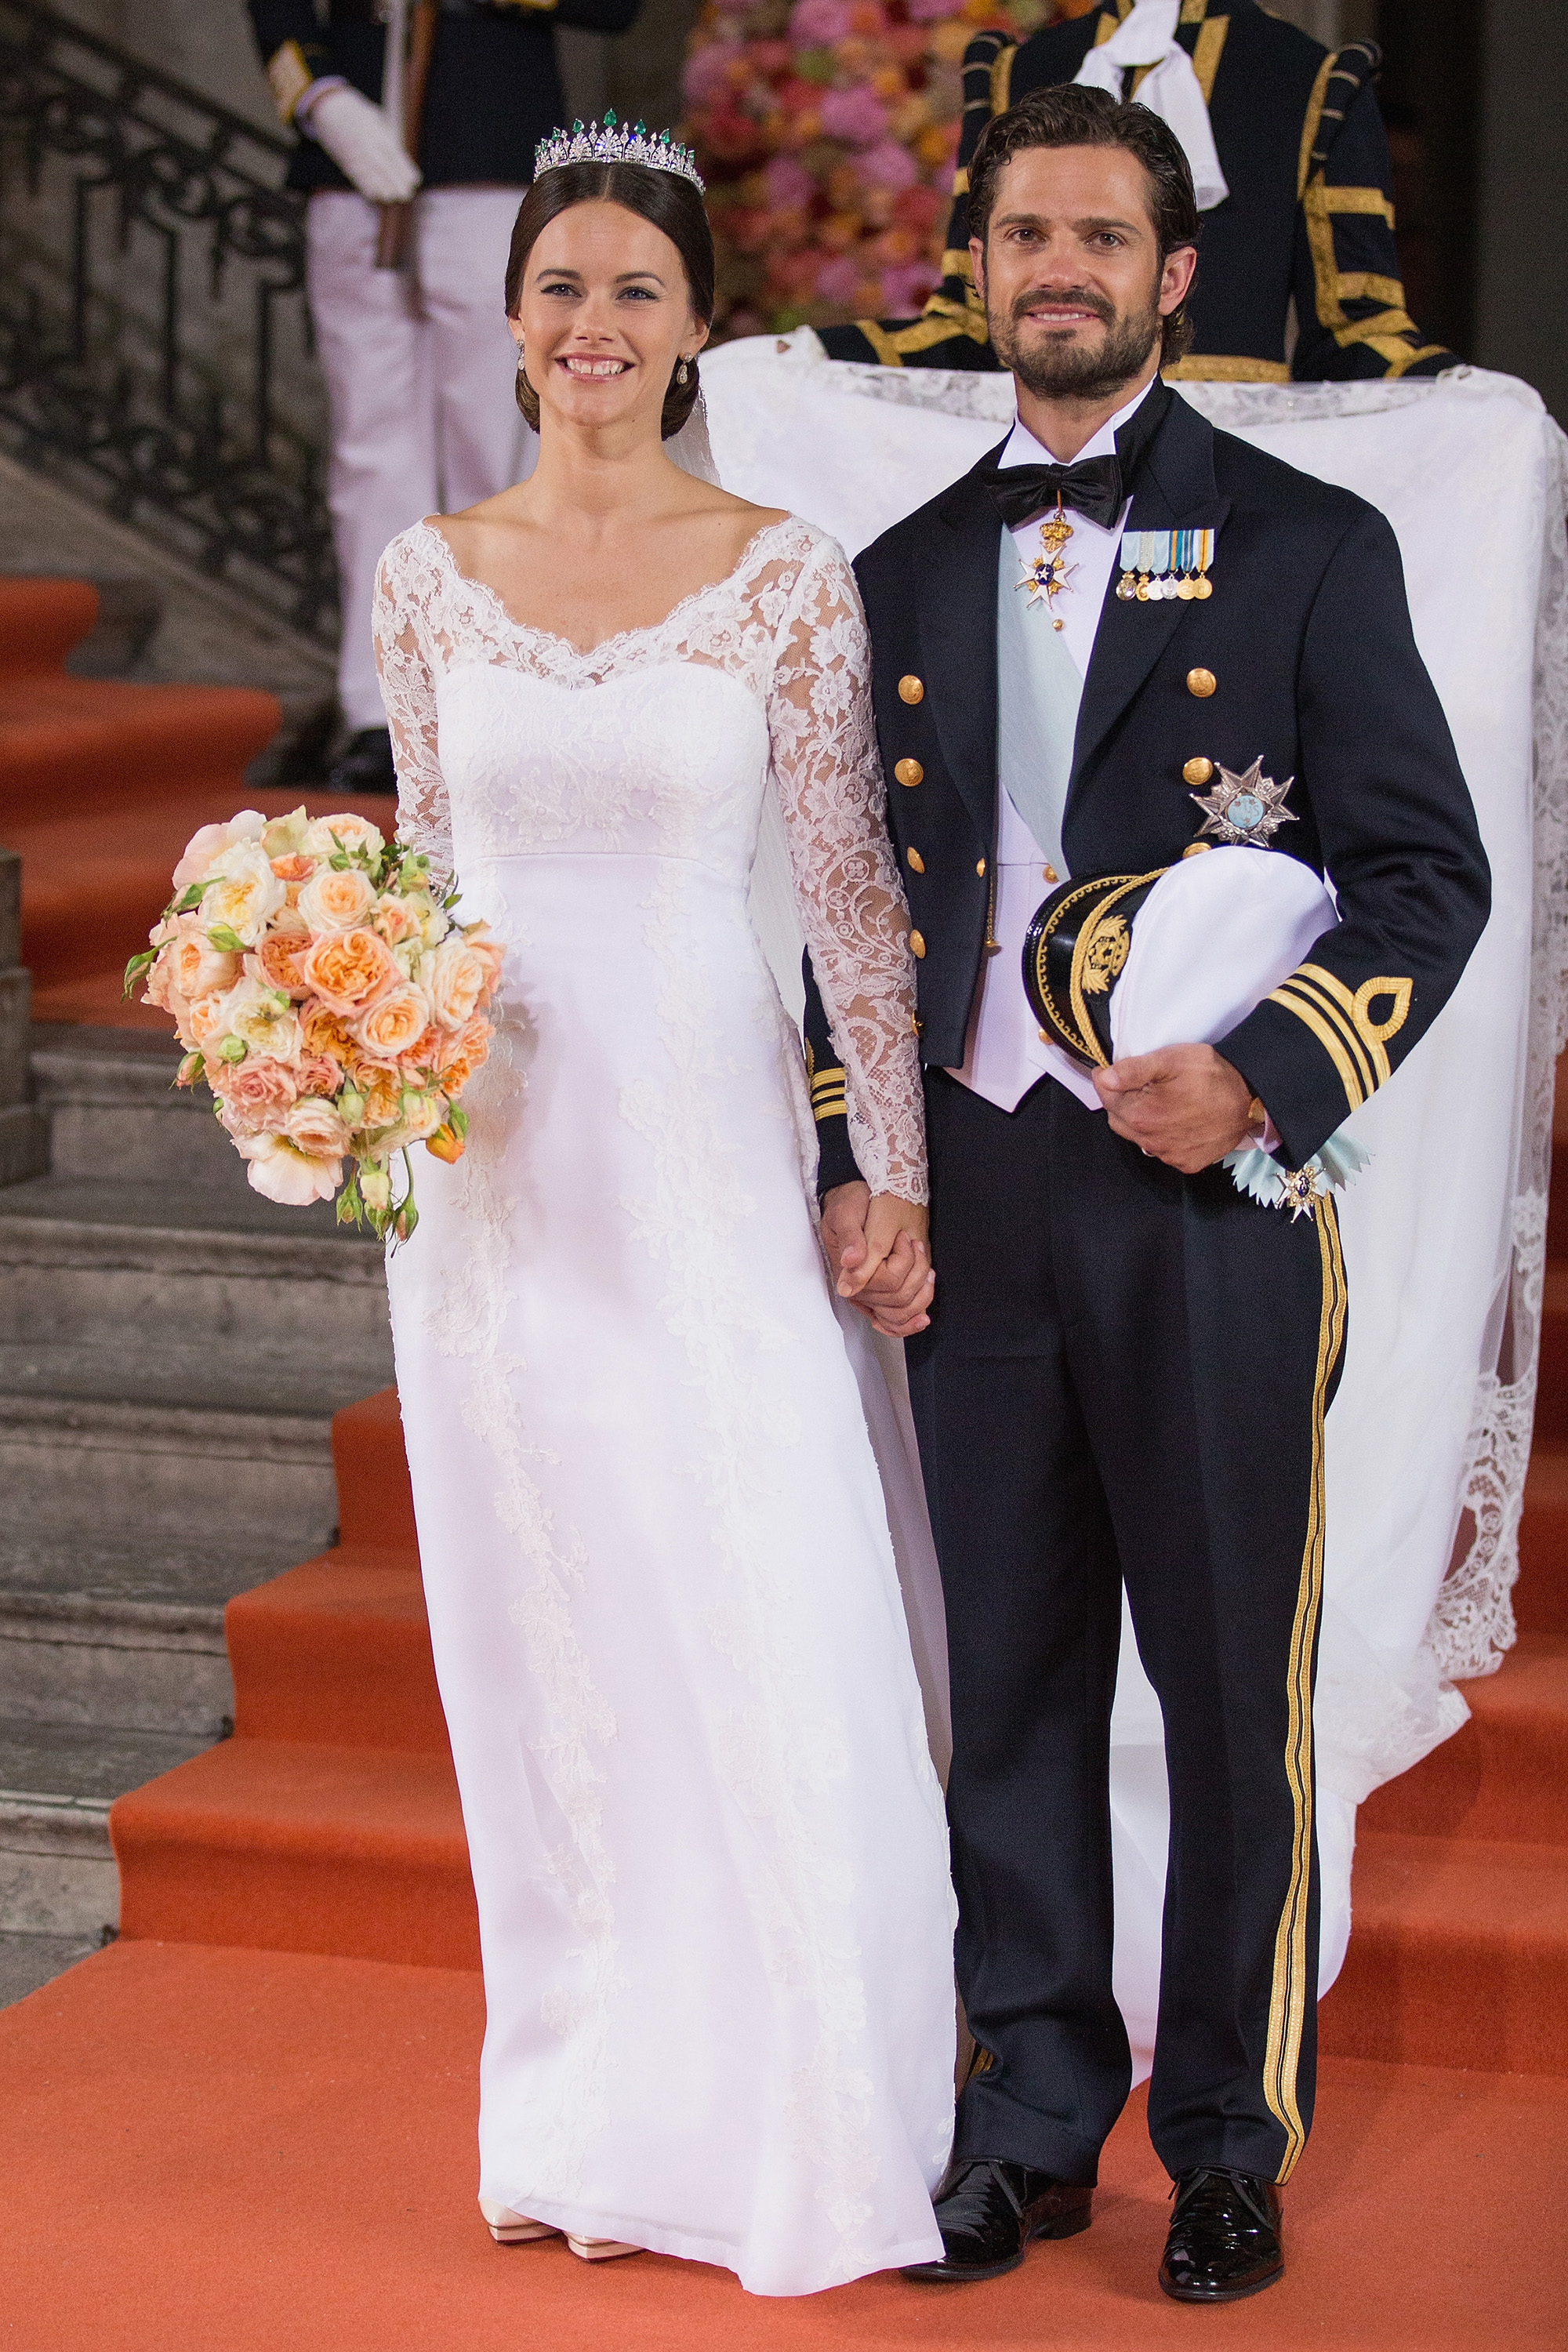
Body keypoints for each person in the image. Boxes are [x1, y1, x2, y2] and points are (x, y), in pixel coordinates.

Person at [809, 82, 1489, 2301]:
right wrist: (862, 1157)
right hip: (981, 1200)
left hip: (1205, 1202)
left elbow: (1424, 879)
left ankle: (1223, 2133)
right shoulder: (895, 569)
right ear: (981, 270)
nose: (1061, 274)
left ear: (1176, 270)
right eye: (1025, 239)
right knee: (1000, 1675)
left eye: (1101, 237)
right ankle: (1025, 2115)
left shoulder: (1306, 544)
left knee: (1221, 1685)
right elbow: (836, 924)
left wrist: (1273, 1076)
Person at [369, 121, 956, 2296]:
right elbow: (420, 888)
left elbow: (857, 916)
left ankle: (810, 2111)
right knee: (548, 1623)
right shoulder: (428, 575)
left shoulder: (788, 569)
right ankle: (588, 2106)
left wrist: (882, 1166)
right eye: (561, 288)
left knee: (753, 1584)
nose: (594, 326)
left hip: (707, 1154)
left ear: (700, 325)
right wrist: (335, 1060)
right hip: (501, 1181)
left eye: (636, 290)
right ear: (513, 320)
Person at [249, 0, 641, 793]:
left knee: (493, 449)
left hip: (488, 145)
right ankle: (377, 710)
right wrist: (324, 100)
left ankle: (495, 696)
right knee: (370, 454)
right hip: (354, 158)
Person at [819, 0, 1452, 384]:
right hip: (1038, 447)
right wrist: (807, 354)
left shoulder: (1315, 79)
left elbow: (1352, 331)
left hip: (1231, 469)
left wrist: (1467, 394)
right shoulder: (1017, 71)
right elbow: (967, 319)